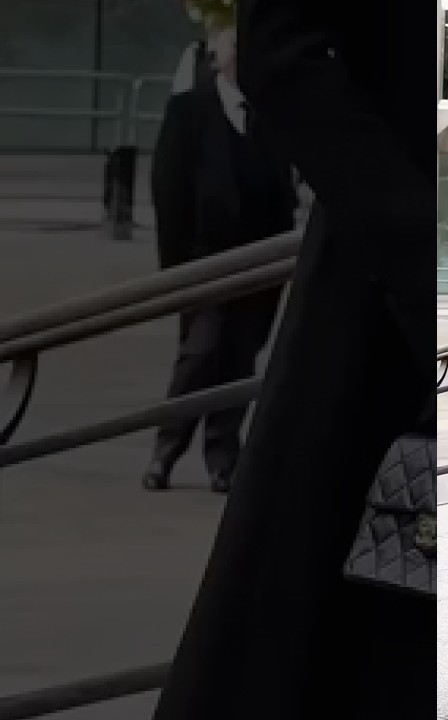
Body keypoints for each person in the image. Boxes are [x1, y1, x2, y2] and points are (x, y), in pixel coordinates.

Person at [150, 0, 436, 716]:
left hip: (414, 313)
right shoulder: (196, 114)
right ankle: (173, 449)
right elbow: (282, 53)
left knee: (405, 601)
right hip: (384, 307)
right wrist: (408, 236)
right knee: (356, 614)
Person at [142, 27, 296, 494]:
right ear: (222, 60)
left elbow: (283, 190)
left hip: (260, 266)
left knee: (240, 359)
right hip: (204, 263)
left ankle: (223, 457)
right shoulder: (189, 111)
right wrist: (175, 272)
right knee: (199, 356)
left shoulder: (269, 117)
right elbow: (169, 194)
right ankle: (165, 451)